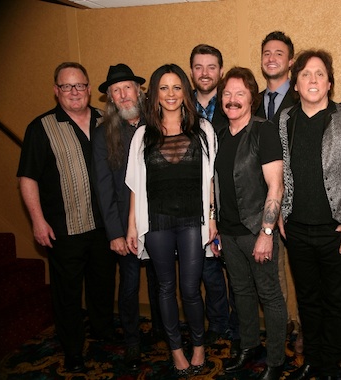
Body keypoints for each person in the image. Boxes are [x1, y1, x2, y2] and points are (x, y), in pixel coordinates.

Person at [17, 62, 116, 373]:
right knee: (68, 293)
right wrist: (37, 220)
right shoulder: (41, 127)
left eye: (80, 85)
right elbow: (27, 178)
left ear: (89, 88)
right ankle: (73, 349)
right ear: (56, 90)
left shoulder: (105, 120)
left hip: (104, 226)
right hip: (65, 229)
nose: (75, 92)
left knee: (102, 284)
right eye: (67, 86)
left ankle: (102, 331)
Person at [279, 49, 341, 379]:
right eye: (305, 74)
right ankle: (312, 360)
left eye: (319, 74)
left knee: (336, 301)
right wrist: (278, 216)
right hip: (297, 230)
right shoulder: (285, 120)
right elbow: (278, 173)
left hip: (337, 231)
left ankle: (330, 364)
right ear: (296, 84)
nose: (313, 79)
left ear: (329, 83)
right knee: (308, 300)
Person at [125, 63, 217, 377]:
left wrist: (213, 218)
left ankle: (199, 346)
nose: (170, 94)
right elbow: (136, 185)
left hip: (193, 219)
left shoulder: (203, 129)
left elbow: (210, 182)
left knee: (191, 289)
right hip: (157, 220)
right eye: (163, 88)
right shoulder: (142, 135)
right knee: (165, 288)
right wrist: (131, 226)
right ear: (154, 94)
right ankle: (176, 350)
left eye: (176, 87)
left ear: (185, 92)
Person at [216, 67, 287, 380]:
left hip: (256, 231)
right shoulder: (218, 136)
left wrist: (267, 233)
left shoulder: (263, 131)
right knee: (241, 293)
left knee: (269, 295)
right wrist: (215, 225)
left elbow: (276, 186)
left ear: (252, 99)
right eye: (227, 94)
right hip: (228, 232)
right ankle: (248, 347)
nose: (232, 100)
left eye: (240, 94)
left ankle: (275, 360)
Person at [92, 63, 163, 369]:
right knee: (131, 285)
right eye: (116, 91)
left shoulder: (159, 123)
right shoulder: (103, 134)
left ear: (139, 91)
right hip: (125, 223)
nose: (123, 95)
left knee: (163, 280)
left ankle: (163, 330)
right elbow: (103, 187)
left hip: (160, 221)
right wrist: (115, 233)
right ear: (110, 98)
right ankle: (132, 340)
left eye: (127, 88)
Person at [189, 43, 240, 351]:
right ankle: (217, 322)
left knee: (235, 270)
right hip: (197, 204)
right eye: (198, 67)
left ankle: (237, 326)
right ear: (191, 71)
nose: (205, 73)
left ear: (221, 71)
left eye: (211, 67)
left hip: (231, 201)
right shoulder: (180, 107)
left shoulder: (233, 104)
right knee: (207, 270)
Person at [254, 30, 301, 351]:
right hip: (261, 199)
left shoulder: (302, 98)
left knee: (302, 270)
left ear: (290, 61)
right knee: (271, 269)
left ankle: (304, 327)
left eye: (279, 53)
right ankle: (283, 323)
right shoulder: (250, 99)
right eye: (267, 53)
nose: (272, 58)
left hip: (298, 200)